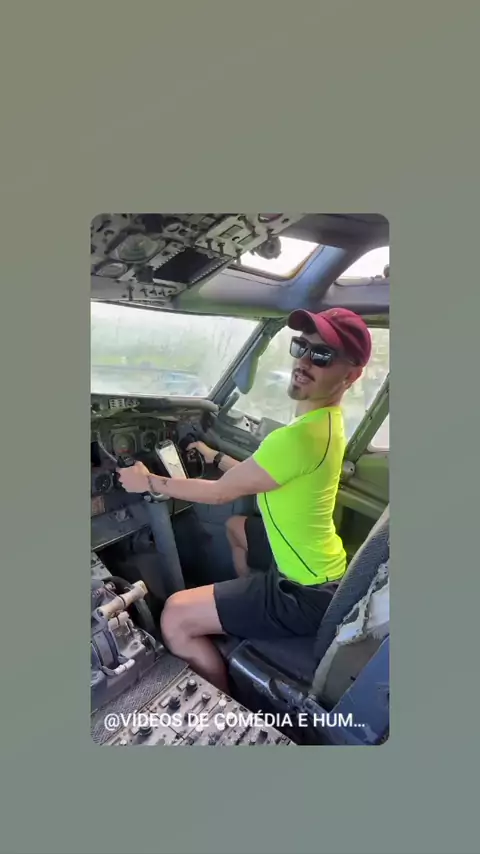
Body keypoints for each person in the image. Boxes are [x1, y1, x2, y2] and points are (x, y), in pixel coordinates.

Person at [117, 307, 371, 693]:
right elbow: (261, 475)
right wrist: (214, 455)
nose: (304, 362)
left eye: (322, 355)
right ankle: (244, 612)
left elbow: (221, 492)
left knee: (174, 616)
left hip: (302, 593)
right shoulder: (324, 424)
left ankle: (222, 701)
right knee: (237, 528)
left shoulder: (299, 438)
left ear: (351, 376)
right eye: (301, 347)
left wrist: (147, 481)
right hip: (325, 571)